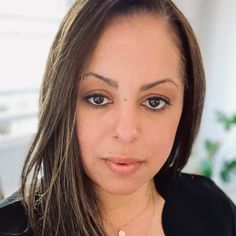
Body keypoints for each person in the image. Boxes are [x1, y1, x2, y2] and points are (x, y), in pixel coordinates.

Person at [0, 0, 235, 235]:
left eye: (154, 102)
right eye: (98, 98)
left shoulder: (213, 209)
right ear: (61, 101)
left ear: (186, 104)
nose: (126, 132)